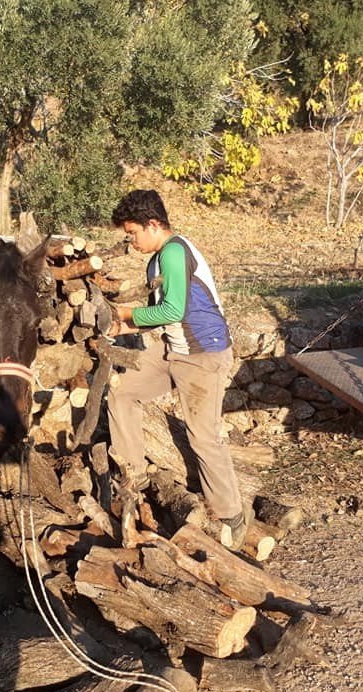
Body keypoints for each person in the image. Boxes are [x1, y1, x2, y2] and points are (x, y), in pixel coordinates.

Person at [106, 189, 247, 545]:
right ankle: (133, 476)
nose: (132, 241)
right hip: (173, 349)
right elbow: (162, 316)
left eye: (133, 233)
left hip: (202, 354)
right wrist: (127, 327)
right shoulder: (156, 259)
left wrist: (124, 313)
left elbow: (173, 311)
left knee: (204, 435)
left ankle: (232, 516)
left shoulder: (174, 252)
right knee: (122, 393)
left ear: (153, 224)